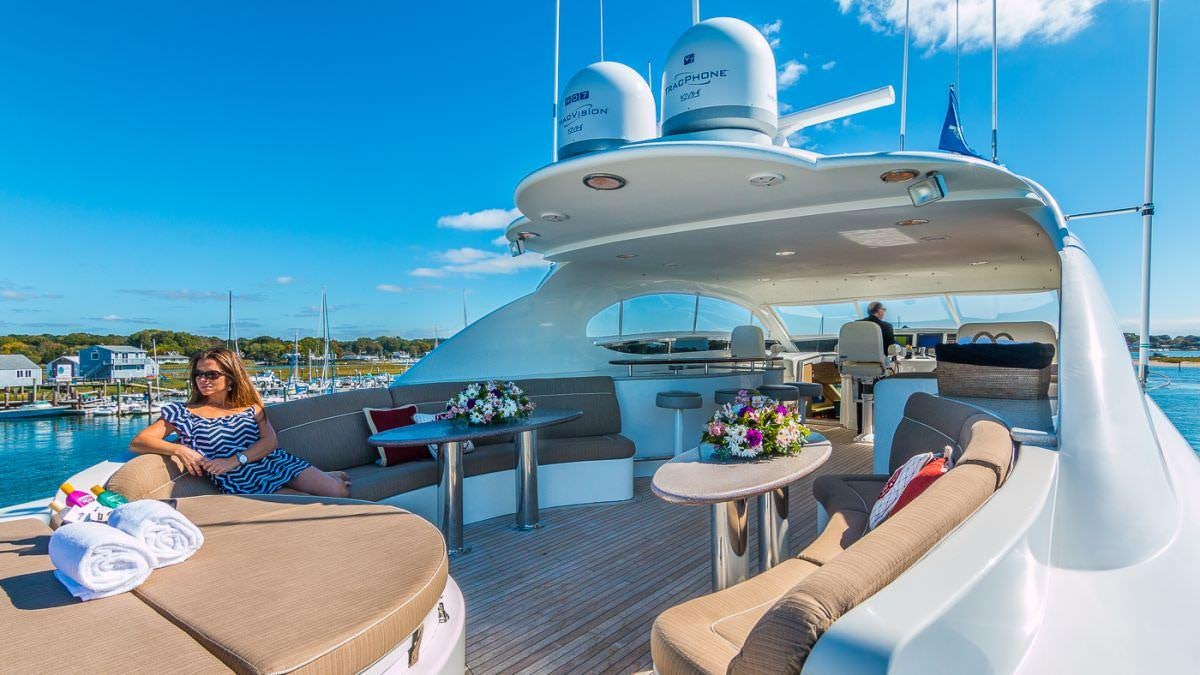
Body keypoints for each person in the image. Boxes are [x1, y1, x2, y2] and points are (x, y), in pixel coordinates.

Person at [131, 347, 350, 498]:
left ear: (230, 378)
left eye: (212, 374)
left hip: (272, 461)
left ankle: (325, 477)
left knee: (340, 492)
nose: (203, 379)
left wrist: (235, 459)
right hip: (239, 478)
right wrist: (179, 449)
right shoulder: (183, 412)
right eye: (198, 374)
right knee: (305, 502)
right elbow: (140, 441)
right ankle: (319, 477)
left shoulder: (250, 407)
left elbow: (269, 441)